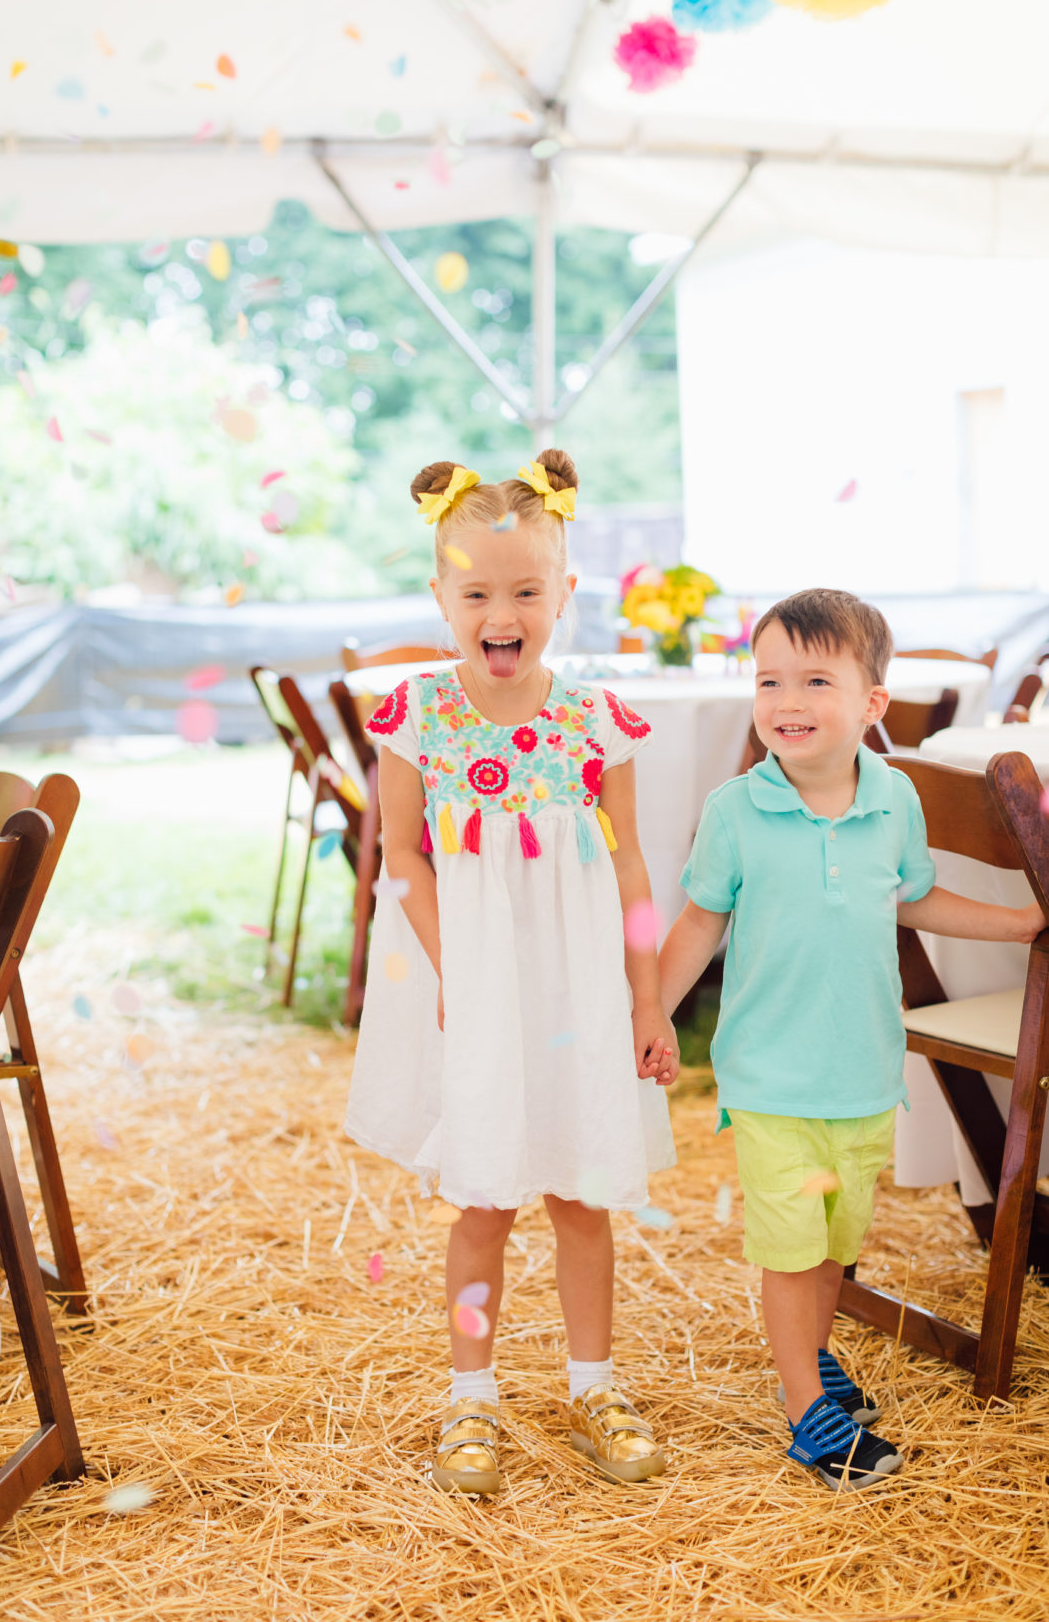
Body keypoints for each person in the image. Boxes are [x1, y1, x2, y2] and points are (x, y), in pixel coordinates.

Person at [653, 588, 1045, 1491]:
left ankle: (816, 1357)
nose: (787, 701)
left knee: (834, 1247)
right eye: (770, 680)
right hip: (772, 1081)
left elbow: (911, 896)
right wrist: (653, 1014)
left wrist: (1017, 921)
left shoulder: (895, 797)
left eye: (816, 680)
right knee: (792, 1257)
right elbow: (697, 923)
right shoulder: (736, 810)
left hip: (866, 1073)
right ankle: (807, 1417)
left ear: (872, 702)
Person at [345, 450, 679, 1494]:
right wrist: (455, 966)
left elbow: (626, 860)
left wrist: (643, 996)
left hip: (577, 988)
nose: (502, 611)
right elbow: (400, 856)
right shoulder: (419, 717)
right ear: (439, 596)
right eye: (477, 590)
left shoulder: (594, 722)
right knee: (483, 1199)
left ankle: (593, 1384)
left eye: (526, 590)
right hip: (474, 987)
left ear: (564, 595)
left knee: (581, 1193)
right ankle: (470, 1399)